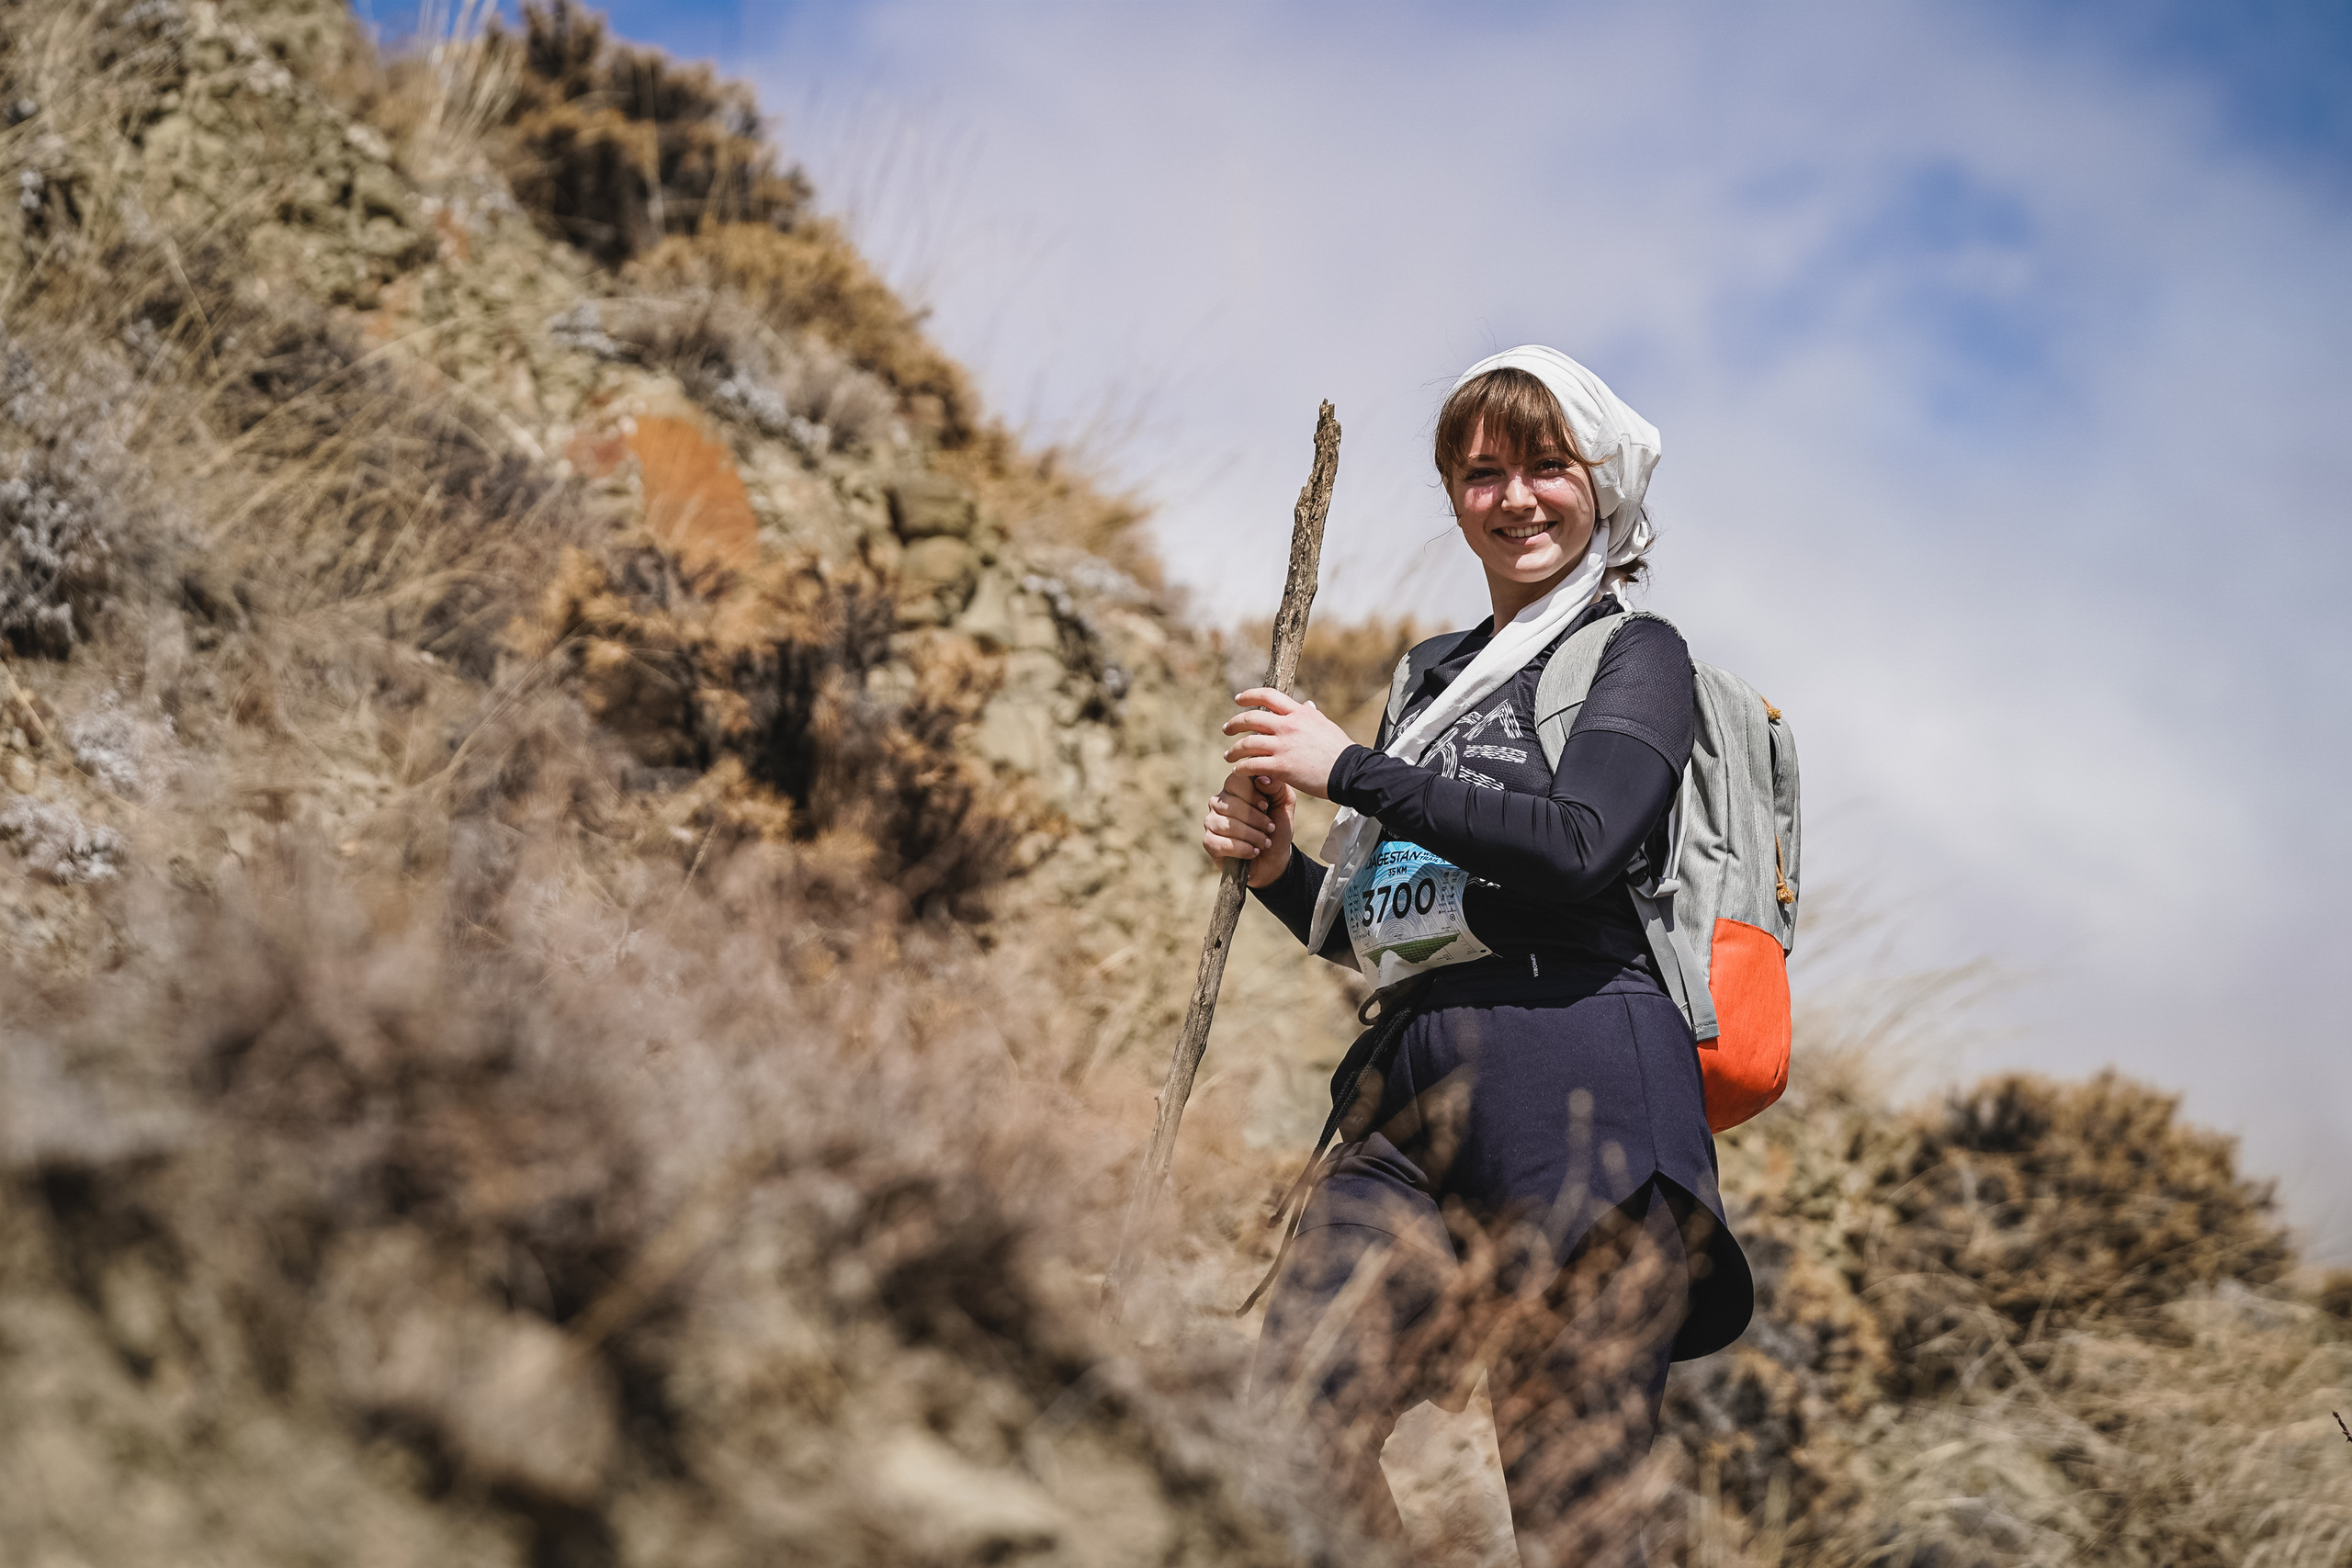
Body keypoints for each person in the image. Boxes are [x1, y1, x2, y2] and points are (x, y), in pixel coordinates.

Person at [1200, 346, 1753, 1565]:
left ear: (1600, 481)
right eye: (1483, 473)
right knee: (1289, 1429)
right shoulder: (1432, 681)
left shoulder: (1636, 654)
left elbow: (1578, 847)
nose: (1514, 499)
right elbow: (1391, 932)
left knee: (1575, 1527)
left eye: (1546, 466)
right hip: (1408, 1111)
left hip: (1588, 1100)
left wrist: (1347, 768)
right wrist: (1278, 873)